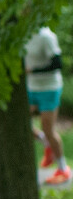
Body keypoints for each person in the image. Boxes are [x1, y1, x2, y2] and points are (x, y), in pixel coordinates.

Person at [25, 25, 68, 185]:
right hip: (31, 88)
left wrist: (33, 71)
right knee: (22, 125)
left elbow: (57, 63)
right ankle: (46, 144)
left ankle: (63, 169)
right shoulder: (22, 34)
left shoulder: (46, 36)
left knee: (48, 128)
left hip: (49, 87)